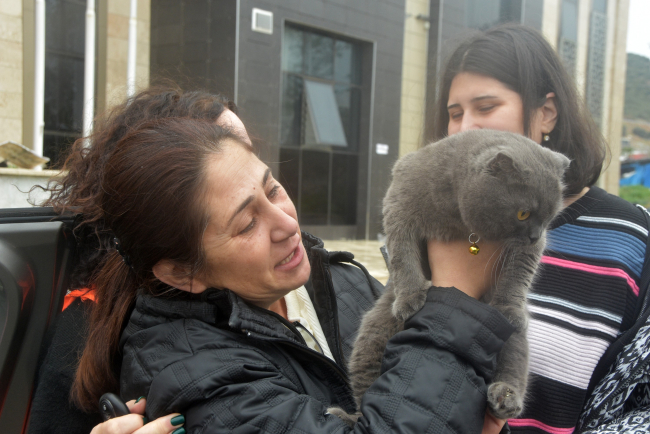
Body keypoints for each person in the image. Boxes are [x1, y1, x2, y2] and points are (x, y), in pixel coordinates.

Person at [59, 108, 516, 433]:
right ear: (182, 273)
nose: (287, 224)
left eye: (273, 188)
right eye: (247, 224)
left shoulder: (339, 280)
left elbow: (446, 392)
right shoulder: (189, 375)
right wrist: (455, 296)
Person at [427, 23, 650, 433]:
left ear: (546, 113)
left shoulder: (629, 238)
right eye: (455, 114)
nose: (464, 128)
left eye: (486, 107)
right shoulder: (442, 231)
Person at [29, 86, 241, 434]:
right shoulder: (87, 330)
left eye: (251, 155)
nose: (254, 172)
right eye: (227, 156)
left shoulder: (272, 289)